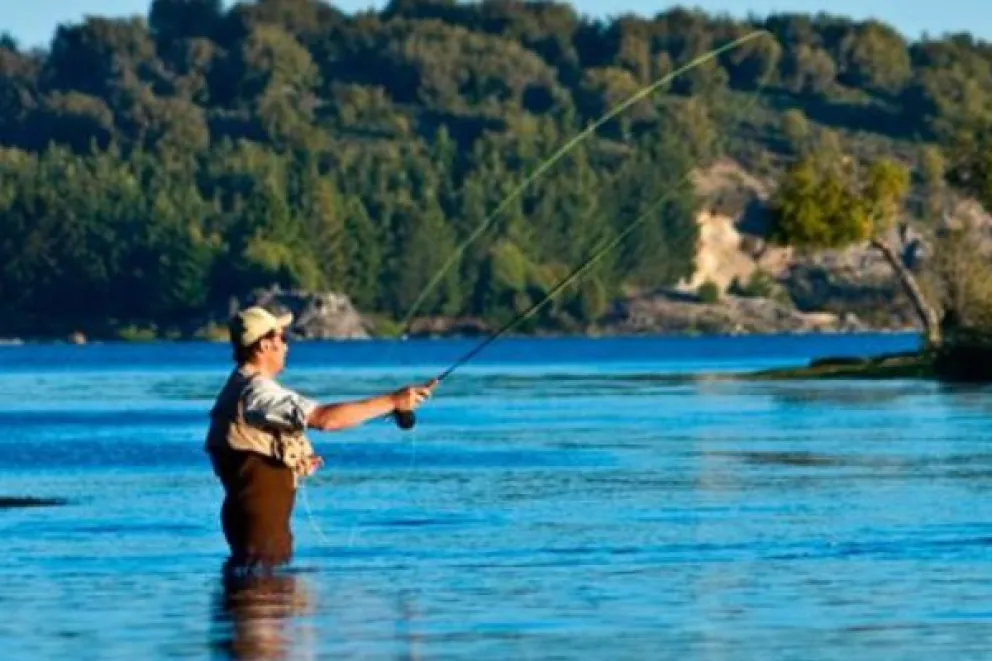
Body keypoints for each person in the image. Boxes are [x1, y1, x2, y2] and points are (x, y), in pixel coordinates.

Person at [205, 306, 435, 569]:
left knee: (266, 596)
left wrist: (291, 461)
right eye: (282, 338)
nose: (286, 346)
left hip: (252, 523)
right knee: (265, 596)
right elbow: (325, 419)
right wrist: (393, 401)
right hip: (260, 529)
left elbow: (251, 449)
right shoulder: (258, 393)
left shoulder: (240, 387)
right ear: (263, 345)